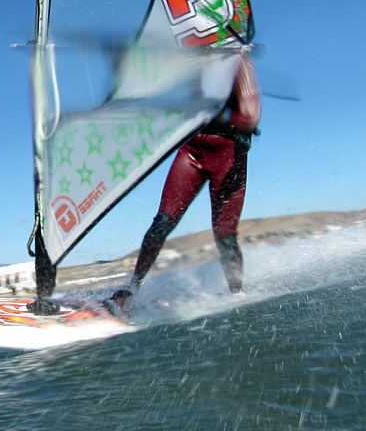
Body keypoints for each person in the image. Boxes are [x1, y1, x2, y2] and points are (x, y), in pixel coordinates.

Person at [110, 52, 261, 307]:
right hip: (192, 152)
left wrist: (216, 114)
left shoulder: (238, 61)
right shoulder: (198, 62)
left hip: (228, 155)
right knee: (162, 223)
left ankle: (238, 294)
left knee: (224, 234)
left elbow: (249, 117)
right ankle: (132, 289)